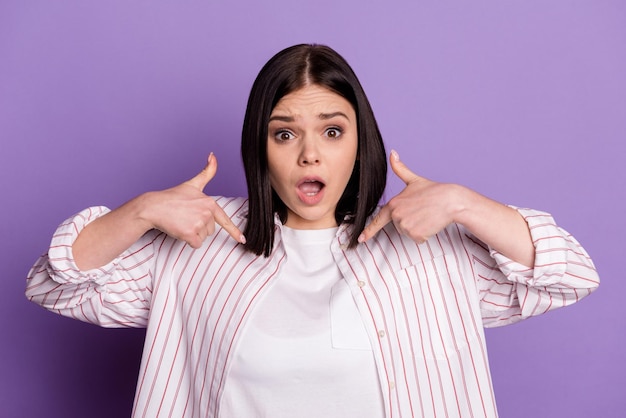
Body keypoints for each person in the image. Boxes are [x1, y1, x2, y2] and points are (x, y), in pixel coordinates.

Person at [26, 44, 599, 418]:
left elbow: (569, 274)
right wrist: (143, 210)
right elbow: (56, 284)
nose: (308, 156)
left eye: (331, 131)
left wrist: (464, 202)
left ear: (360, 140)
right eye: (284, 134)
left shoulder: (430, 251)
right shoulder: (199, 245)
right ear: (261, 146)